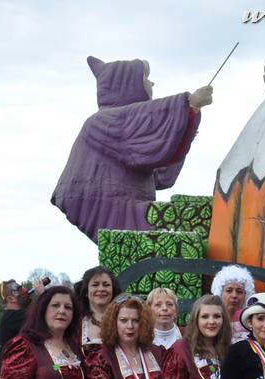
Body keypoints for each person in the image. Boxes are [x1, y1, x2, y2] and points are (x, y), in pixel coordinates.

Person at [51, 56, 210, 241]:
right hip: (117, 207)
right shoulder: (103, 122)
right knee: (193, 221)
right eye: (145, 78)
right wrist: (188, 103)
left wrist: (186, 124)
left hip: (132, 204)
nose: (152, 83)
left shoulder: (121, 124)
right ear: (128, 83)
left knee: (195, 222)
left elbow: (159, 174)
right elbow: (139, 124)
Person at [75, 266, 122, 356]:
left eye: (106, 285)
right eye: (95, 285)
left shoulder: (126, 320)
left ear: (113, 290)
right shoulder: (76, 324)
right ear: (86, 291)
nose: (101, 289)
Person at [211, 264, 255, 344]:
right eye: (229, 290)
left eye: (239, 291)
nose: (234, 295)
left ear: (246, 295)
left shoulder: (253, 322)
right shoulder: (211, 320)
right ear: (220, 293)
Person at [147, 287, 181, 351]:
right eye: (158, 305)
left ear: (176, 310)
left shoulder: (188, 336)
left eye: (169, 304)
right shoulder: (141, 338)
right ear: (149, 309)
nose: (164, 308)